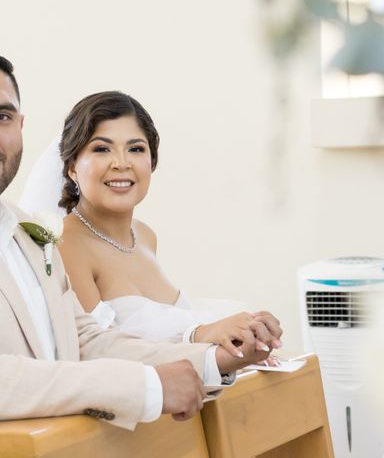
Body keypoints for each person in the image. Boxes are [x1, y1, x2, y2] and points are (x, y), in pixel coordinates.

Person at [0, 45, 270, 458]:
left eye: (1, 116)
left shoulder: (20, 226)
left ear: (19, 128)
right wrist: (148, 388)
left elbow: (82, 340)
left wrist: (212, 360)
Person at [21, 91, 282, 360]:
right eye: (101, 149)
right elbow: (95, 351)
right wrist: (200, 334)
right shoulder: (64, 246)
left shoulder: (144, 235)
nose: (121, 163)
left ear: (151, 161)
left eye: (135, 149)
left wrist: (243, 334)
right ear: (72, 167)